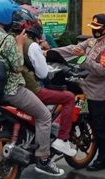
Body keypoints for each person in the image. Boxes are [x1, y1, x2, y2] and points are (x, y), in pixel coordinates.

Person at [0, 0, 64, 176]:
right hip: (11, 90)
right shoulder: (8, 40)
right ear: (7, 16)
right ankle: (44, 159)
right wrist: (20, 44)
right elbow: (17, 66)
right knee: (44, 115)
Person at [54, 14, 105, 171]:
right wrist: (50, 51)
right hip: (87, 87)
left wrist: (83, 58)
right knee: (96, 124)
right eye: (93, 28)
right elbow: (73, 49)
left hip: (101, 92)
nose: (95, 31)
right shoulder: (92, 41)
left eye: (98, 28)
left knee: (101, 126)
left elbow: (102, 70)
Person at [12, 10, 77, 157]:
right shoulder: (31, 45)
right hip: (28, 88)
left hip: (7, 88)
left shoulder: (7, 38)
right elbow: (43, 74)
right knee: (68, 97)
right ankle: (60, 142)